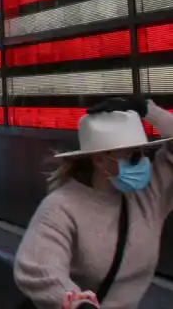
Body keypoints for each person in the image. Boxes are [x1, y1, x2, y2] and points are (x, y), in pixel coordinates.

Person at [14, 97, 173, 309]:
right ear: (99, 159)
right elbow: (38, 267)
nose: (143, 162)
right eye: (131, 156)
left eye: (143, 153)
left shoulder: (149, 196)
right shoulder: (61, 207)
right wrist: (74, 301)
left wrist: (146, 110)